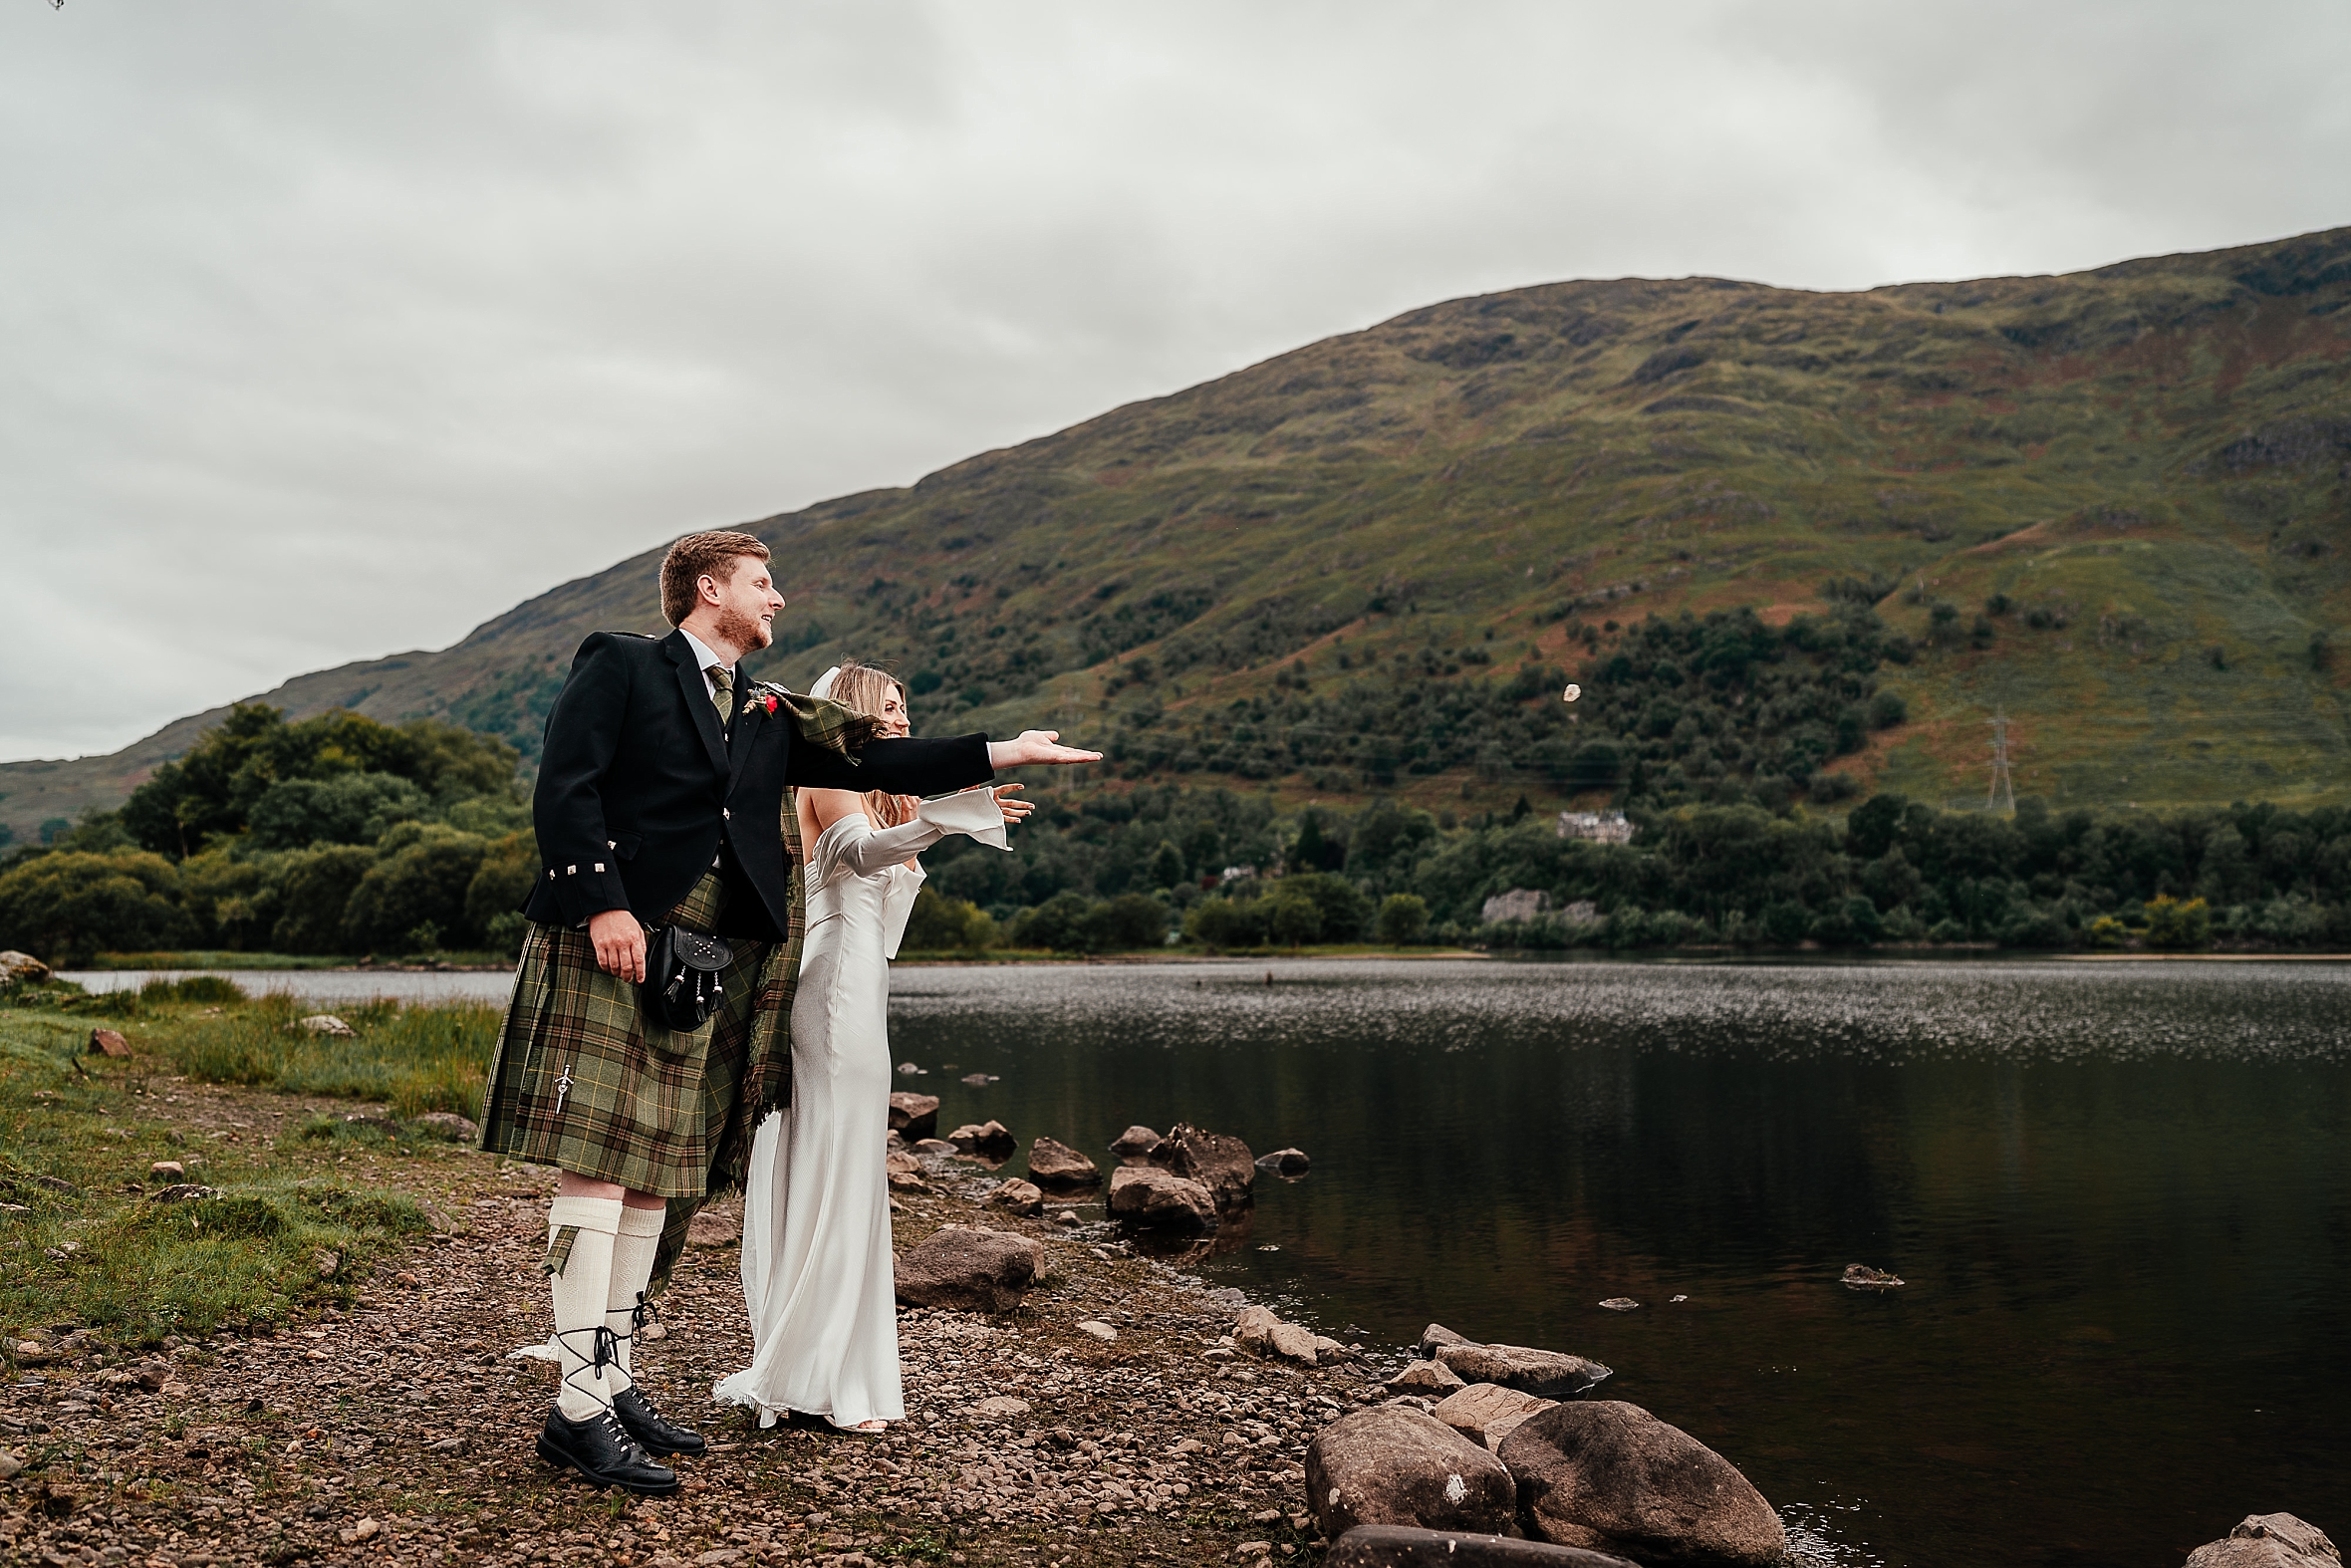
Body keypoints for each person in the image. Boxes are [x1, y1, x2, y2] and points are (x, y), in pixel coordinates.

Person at [476, 531, 1098, 1495]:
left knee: (651, 1176)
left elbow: (873, 749)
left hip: (713, 953)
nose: (778, 599)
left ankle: (611, 1380)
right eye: (763, 585)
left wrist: (1002, 748)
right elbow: (567, 786)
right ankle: (575, 1410)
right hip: (624, 926)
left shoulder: (767, 707)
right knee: (600, 1169)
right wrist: (603, 903)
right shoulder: (626, 661)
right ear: (709, 587)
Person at [714, 662, 1025, 1434]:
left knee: (850, 1170)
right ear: (852, 711)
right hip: (832, 993)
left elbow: (883, 913)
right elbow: (855, 857)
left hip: (862, 988)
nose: (903, 720)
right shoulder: (825, 780)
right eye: (889, 709)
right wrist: (946, 820)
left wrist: (936, 815)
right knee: (834, 1168)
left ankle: (827, 1366)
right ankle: (814, 1373)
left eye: (906, 709)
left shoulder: (885, 798)